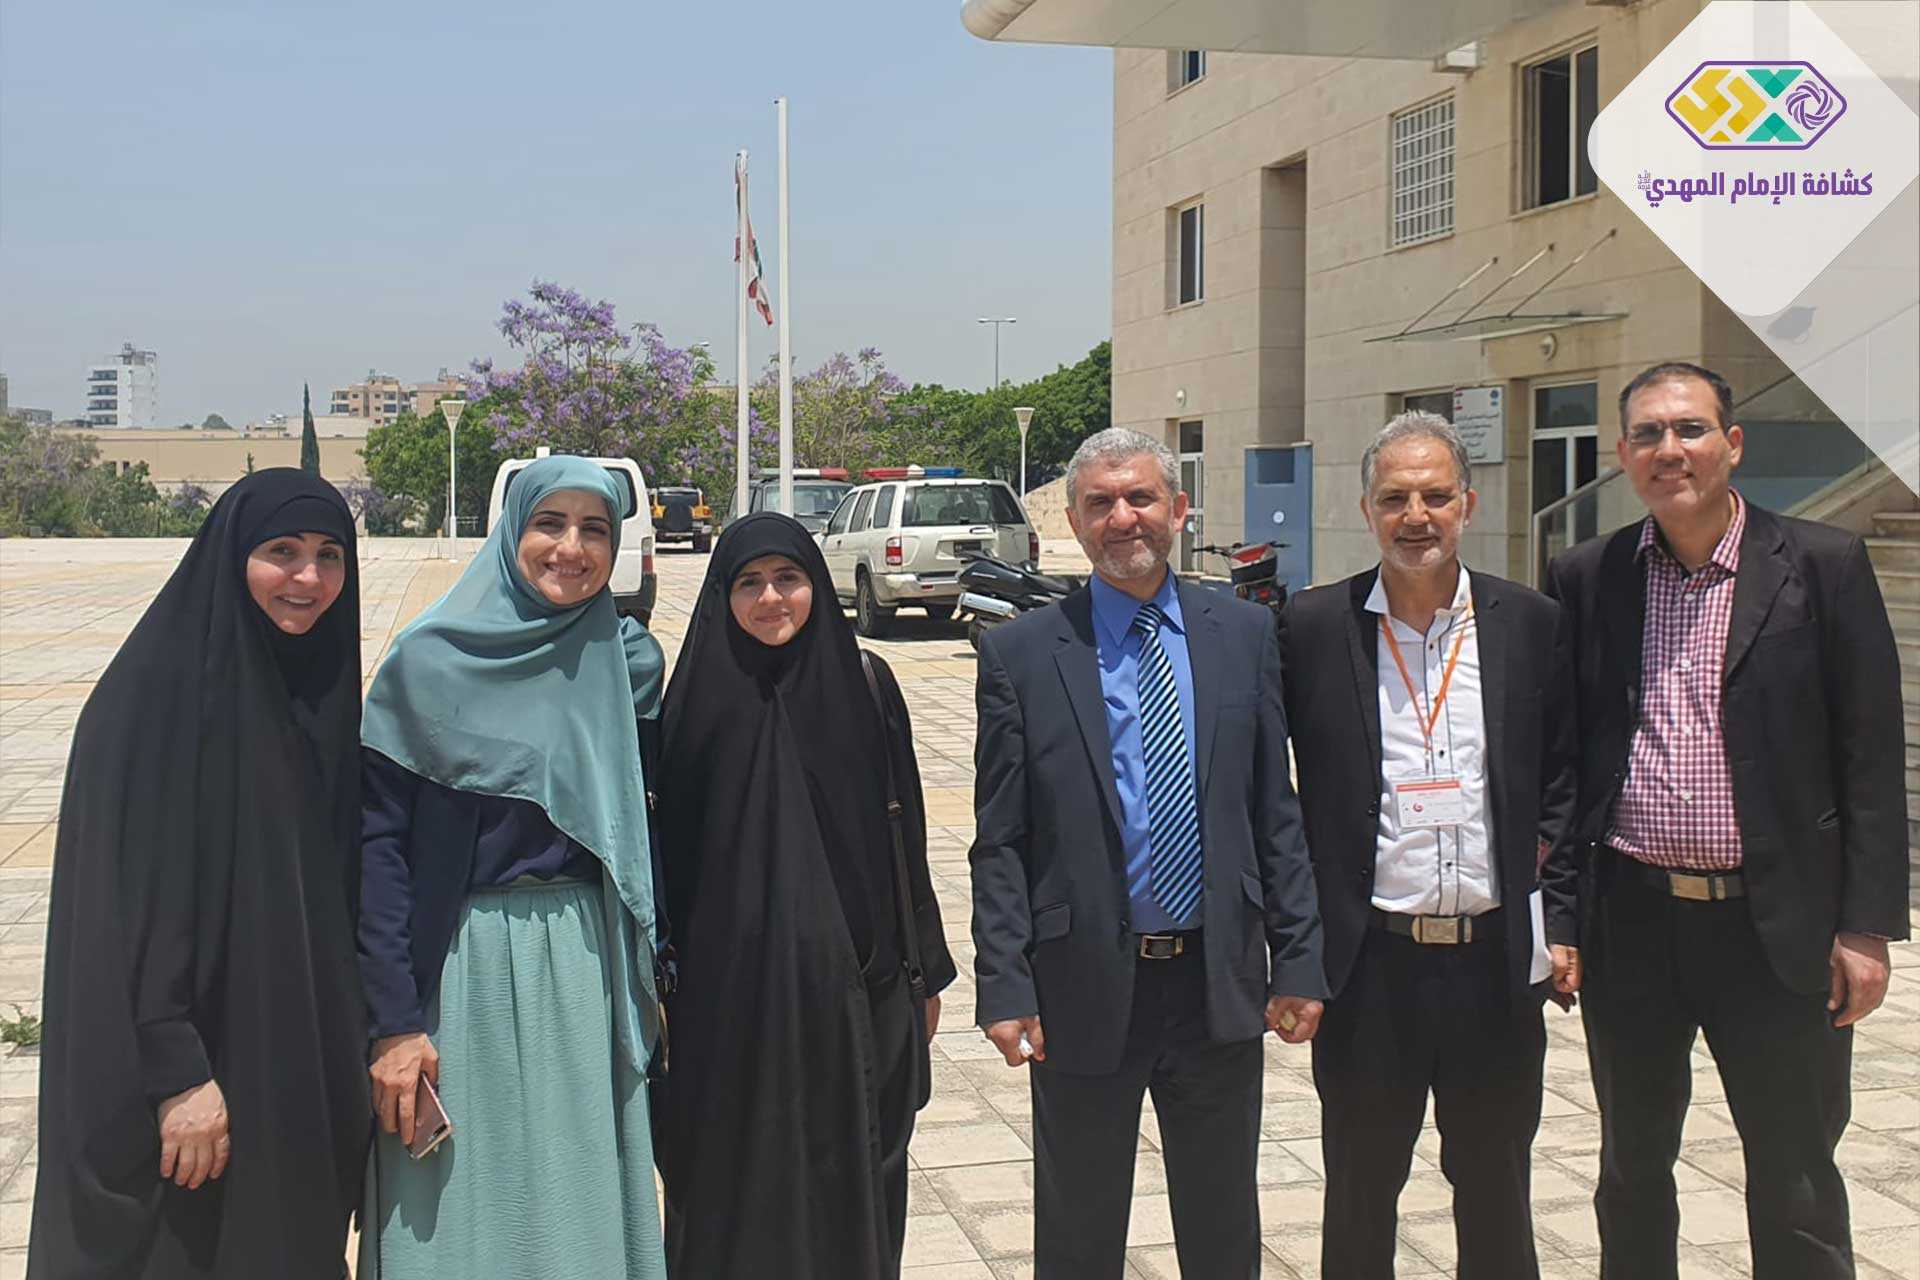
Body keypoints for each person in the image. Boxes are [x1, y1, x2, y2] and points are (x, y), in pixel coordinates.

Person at [1544, 361, 1908, 1279]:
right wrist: (1562, 915)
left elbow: (1870, 756)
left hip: (1777, 925)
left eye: (1691, 429)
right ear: (1623, 453)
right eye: (1649, 434)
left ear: (1732, 444)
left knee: (1795, 1174)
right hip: (1632, 922)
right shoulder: (1587, 575)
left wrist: (1865, 926)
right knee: (1632, 1167)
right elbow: (1568, 759)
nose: (1670, 450)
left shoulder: (1823, 565)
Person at [970, 427, 1326, 1278]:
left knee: (1222, 1226)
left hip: (1216, 983)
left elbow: (1274, 813)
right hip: (1082, 985)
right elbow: (1001, 839)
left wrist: (1298, 960)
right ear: (1072, 520)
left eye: (1140, 497)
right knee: (1079, 1232)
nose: (1123, 517)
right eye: (1100, 502)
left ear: (1178, 508)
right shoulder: (1023, 653)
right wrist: (1005, 982)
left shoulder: (1244, 634)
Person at [30, 470, 368, 1278]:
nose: (308, 577)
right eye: (281, 551)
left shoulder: (314, 693)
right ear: (230, 557)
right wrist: (177, 1077)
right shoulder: (153, 703)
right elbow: (123, 911)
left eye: (329, 555)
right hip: (193, 1075)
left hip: (287, 1060)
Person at [1278, 413, 1577, 1278]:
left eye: (1436, 496)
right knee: (1360, 1192)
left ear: (1468, 505)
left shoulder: (1530, 623)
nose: (1416, 516)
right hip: (1370, 967)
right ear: (1367, 510)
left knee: (1497, 1190)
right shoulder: (1311, 627)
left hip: (1495, 966)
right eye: (1395, 498)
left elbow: (1565, 784)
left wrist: (1562, 921)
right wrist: (1294, 951)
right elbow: (1275, 800)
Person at [355, 455, 666, 1280]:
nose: (571, 548)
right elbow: (378, 855)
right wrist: (394, 1021)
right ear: (509, 533)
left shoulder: (628, 664)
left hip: (589, 961)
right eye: (548, 524)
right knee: (457, 1206)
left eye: (594, 529)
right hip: (462, 969)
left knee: (574, 1194)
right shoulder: (427, 664)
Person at [653, 512, 955, 1280]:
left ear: (817, 584)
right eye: (749, 583)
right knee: (728, 1188)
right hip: (726, 1011)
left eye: (788, 578)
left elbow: (906, 833)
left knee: (854, 1177)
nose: (770, 600)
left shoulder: (865, 687)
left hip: (859, 995)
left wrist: (926, 969)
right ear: (721, 595)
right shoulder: (687, 706)